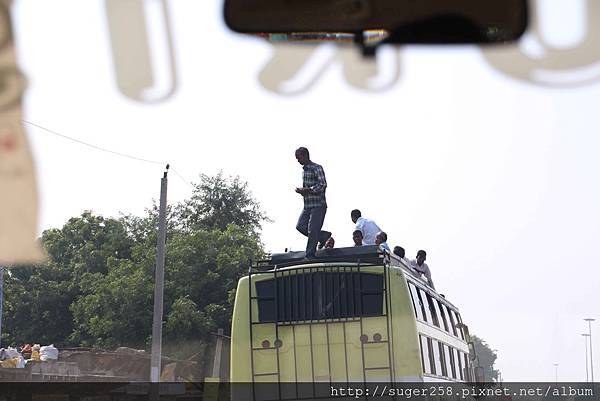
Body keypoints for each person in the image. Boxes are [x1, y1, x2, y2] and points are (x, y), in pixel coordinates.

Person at [295, 147, 331, 258]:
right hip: (308, 206)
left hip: (318, 205)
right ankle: (323, 236)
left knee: (312, 229)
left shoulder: (316, 168)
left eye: (299, 158)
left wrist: (308, 190)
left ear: (305, 155)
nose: (298, 160)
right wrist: (302, 191)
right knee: (300, 226)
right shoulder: (304, 171)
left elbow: (322, 184)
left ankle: (310, 254)